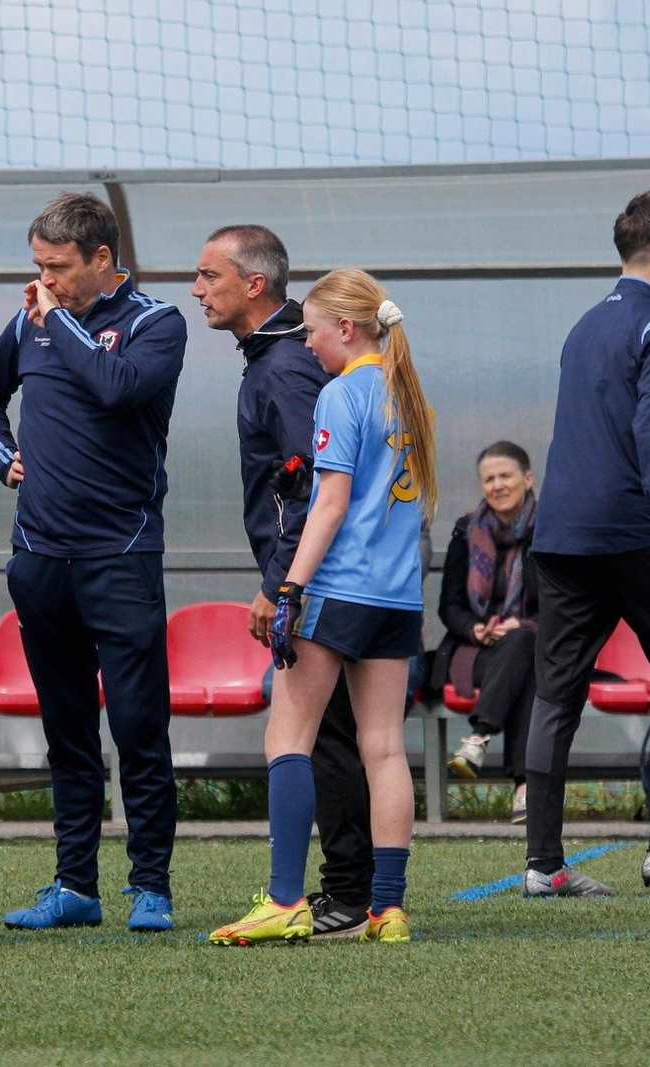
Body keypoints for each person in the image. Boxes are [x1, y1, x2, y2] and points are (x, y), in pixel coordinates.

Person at [0, 193, 186, 933]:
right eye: (39, 267)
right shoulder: (27, 325)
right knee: (67, 730)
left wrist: (55, 319)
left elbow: (116, 387)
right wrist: (5, 459)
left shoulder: (158, 323)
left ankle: (150, 885)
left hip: (120, 558)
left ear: (101, 259)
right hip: (40, 559)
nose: (45, 281)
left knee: (138, 726)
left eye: (58, 268)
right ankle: (74, 885)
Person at [210, 268, 435, 946]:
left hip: (336, 589)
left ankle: (284, 900)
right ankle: (387, 909)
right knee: (386, 748)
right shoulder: (411, 397)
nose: (305, 346)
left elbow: (328, 503)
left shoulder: (342, 393)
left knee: (288, 736)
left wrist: (289, 589)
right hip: (396, 598)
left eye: (310, 331)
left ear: (346, 328)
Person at [523, 188, 650, 897]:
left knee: (556, 696)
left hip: (561, 533)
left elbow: (599, 434)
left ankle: (543, 866)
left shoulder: (584, 326)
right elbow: (647, 432)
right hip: (629, 532)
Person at [192, 223, 374, 939]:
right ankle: (365, 893)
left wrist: (279, 582)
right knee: (357, 734)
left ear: (254, 284)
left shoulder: (288, 364)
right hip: (325, 574)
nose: (198, 290)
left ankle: (346, 892)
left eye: (209, 276)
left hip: (317, 577)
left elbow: (310, 486)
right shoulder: (281, 352)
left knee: (323, 735)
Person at [433, 441, 540, 823]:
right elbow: (449, 606)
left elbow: (566, 604)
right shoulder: (466, 530)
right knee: (525, 666)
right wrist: (475, 628)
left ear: (527, 478)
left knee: (524, 646)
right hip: (473, 653)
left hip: (535, 645)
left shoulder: (550, 532)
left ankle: (478, 737)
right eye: (488, 479)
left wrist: (523, 625)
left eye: (505, 476)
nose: (497, 485)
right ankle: (526, 786)